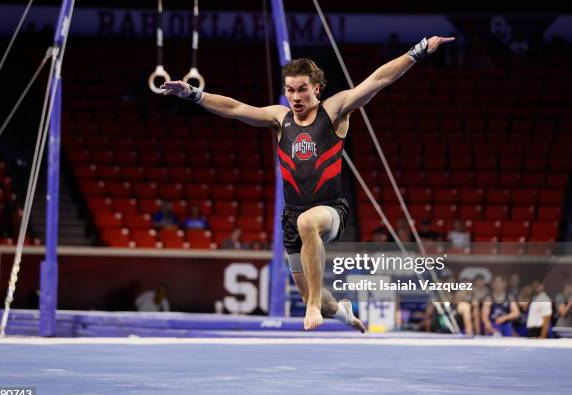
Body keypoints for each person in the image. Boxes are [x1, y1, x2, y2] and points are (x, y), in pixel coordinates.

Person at [161, 36, 454, 331]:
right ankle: (339, 311)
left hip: (330, 210)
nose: (296, 97)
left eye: (302, 89)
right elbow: (235, 109)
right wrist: (192, 94)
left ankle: (314, 306)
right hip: (292, 215)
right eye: (290, 90)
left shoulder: (334, 110)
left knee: (308, 225)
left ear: (316, 88)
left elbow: (378, 80)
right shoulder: (280, 118)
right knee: (309, 287)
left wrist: (418, 52)